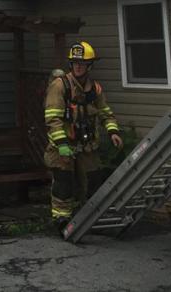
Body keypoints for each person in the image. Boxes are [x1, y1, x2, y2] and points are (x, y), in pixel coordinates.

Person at [43, 41, 123, 236]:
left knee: (95, 181)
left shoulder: (94, 89)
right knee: (64, 184)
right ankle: (62, 222)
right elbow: (52, 118)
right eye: (75, 63)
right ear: (71, 64)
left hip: (87, 146)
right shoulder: (60, 85)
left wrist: (113, 132)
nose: (78, 67)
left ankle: (91, 220)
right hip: (63, 147)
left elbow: (105, 112)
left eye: (83, 63)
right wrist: (61, 144)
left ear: (90, 66)